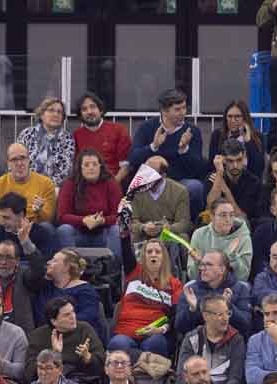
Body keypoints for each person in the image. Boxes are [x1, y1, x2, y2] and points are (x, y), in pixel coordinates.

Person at [127, 89, 208, 220]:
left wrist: (184, 150)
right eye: (177, 109)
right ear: (164, 111)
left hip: (180, 181)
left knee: (195, 187)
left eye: (184, 108)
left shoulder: (192, 131)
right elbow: (133, 158)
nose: (183, 112)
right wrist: (154, 146)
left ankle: (192, 226)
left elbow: (198, 168)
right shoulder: (147, 128)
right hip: (152, 180)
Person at [109, 240, 182, 356]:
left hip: (155, 334)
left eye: (157, 252)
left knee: (155, 344)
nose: (153, 254)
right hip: (126, 332)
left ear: (164, 257)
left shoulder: (175, 284)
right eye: (149, 252)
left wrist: (161, 329)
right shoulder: (134, 272)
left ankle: (137, 360)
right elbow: (126, 251)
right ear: (144, 257)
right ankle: (144, 361)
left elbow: (176, 315)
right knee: (118, 344)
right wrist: (124, 235)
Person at [56, 149, 123, 262]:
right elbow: (62, 216)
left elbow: (119, 215)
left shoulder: (111, 183)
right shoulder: (70, 184)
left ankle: (114, 270)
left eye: (94, 164)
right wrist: (84, 220)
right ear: (80, 167)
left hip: (103, 233)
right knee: (64, 230)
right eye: (86, 165)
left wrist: (102, 221)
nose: (91, 168)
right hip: (78, 233)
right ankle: (70, 270)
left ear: (100, 167)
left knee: (116, 230)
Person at [177, 245, 252, 346]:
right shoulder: (191, 289)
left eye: (208, 265)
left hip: (229, 346)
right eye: (202, 264)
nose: (202, 268)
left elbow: (246, 326)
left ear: (222, 269)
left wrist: (228, 307)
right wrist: (192, 310)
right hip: (198, 345)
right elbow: (179, 327)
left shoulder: (241, 288)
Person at [175, 293, 247, 384]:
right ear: (206, 316)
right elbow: (182, 375)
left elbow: (235, 379)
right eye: (220, 314)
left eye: (227, 313)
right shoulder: (191, 338)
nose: (225, 318)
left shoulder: (236, 340)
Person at [24, 298, 105, 384]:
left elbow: (103, 364)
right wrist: (54, 355)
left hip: (79, 382)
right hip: (46, 383)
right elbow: (29, 373)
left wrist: (88, 357)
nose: (73, 317)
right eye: (67, 315)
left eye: (73, 312)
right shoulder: (38, 336)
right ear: (54, 321)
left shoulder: (84, 330)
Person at [73, 92, 132, 181]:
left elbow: (126, 165)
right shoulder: (76, 135)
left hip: (114, 182)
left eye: (93, 107)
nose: (89, 112)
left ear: (100, 110)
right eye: (84, 109)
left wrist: (113, 185)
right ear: (80, 115)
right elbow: (76, 167)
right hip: (86, 185)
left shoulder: (119, 130)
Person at [190, 200, 253, 282]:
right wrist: (197, 263)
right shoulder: (199, 234)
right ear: (212, 217)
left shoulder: (243, 237)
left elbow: (243, 277)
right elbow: (192, 276)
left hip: (231, 285)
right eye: (223, 215)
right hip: (204, 284)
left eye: (231, 215)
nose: (228, 219)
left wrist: (233, 257)